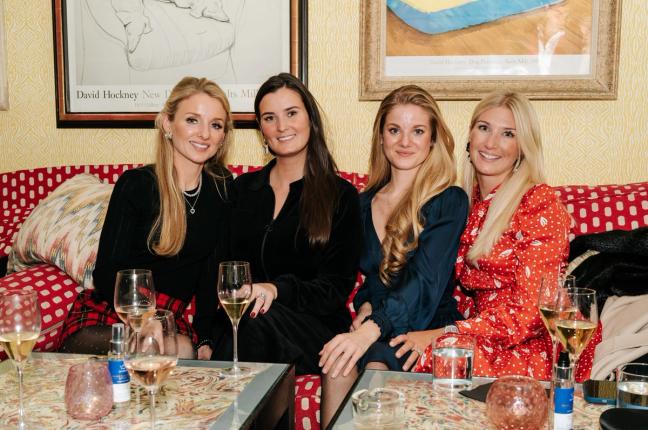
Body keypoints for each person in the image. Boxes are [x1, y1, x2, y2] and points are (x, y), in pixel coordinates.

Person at [319, 85, 468, 427]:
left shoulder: (449, 200)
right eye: (394, 130)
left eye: (418, 131)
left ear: (433, 140)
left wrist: (372, 328)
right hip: (380, 322)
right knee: (336, 363)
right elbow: (374, 278)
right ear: (381, 137)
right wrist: (366, 307)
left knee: (376, 366)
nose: (405, 142)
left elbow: (425, 281)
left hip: (428, 326)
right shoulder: (362, 204)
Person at [59, 77, 233, 359]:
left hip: (168, 321)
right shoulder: (137, 185)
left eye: (215, 125)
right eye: (192, 120)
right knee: (150, 348)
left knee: (182, 351)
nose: (204, 134)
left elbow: (210, 273)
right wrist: (142, 317)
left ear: (223, 135)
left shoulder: (221, 187)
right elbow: (106, 272)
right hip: (114, 315)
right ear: (167, 124)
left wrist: (205, 338)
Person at [405, 91, 571, 380]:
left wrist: (446, 332)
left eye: (508, 134)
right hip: (477, 332)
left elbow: (532, 312)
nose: (491, 143)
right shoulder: (462, 203)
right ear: (470, 136)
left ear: (523, 148)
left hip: (527, 344)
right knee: (402, 344)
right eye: (484, 128)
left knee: (443, 354)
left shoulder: (539, 203)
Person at [205, 73, 363, 375]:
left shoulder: (341, 196)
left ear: (310, 119)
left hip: (315, 329)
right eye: (270, 118)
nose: (281, 126)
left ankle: (217, 399)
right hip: (245, 325)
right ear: (261, 129)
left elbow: (335, 288)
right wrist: (206, 337)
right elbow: (219, 271)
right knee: (250, 322)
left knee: (256, 320)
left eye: (291, 113)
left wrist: (277, 290)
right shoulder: (242, 190)